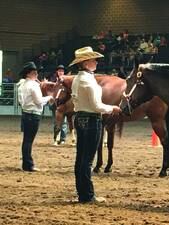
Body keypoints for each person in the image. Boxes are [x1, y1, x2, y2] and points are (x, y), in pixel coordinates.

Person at [69, 46, 121, 203]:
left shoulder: (78, 79)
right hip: (92, 120)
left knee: (81, 158)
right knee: (87, 160)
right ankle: (88, 195)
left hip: (80, 118)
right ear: (85, 63)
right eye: (93, 60)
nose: (96, 62)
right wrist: (112, 108)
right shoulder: (88, 82)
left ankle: (82, 193)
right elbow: (97, 106)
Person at [17, 62, 54, 172]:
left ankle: (26, 164)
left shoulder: (21, 85)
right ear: (29, 74)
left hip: (25, 114)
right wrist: (49, 97)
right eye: (35, 72)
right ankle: (29, 165)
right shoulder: (33, 85)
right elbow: (38, 101)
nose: (37, 74)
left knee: (26, 140)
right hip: (33, 115)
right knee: (29, 141)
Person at [49, 65, 68, 145]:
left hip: (64, 103)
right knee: (56, 122)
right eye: (59, 71)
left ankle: (62, 138)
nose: (61, 72)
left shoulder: (66, 81)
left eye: (62, 71)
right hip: (55, 104)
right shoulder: (53, 80)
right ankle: (56, 138)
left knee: (63, 122)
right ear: (57, 72)